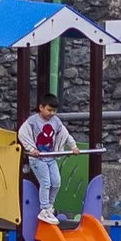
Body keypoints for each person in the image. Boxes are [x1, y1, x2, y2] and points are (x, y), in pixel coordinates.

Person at [22, 93, 75, 221]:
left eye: (54, 111)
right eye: (49, 110)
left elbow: (65, 134)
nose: (52, 113)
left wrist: (73, 146)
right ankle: (44, 208)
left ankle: (49, 206)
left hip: (50, 157)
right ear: (41, 107)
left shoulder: (56, 121)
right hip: (38, 158)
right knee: (46, 182)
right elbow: (22, 134)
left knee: (56, 182)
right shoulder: (33, 121)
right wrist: (31, 149)